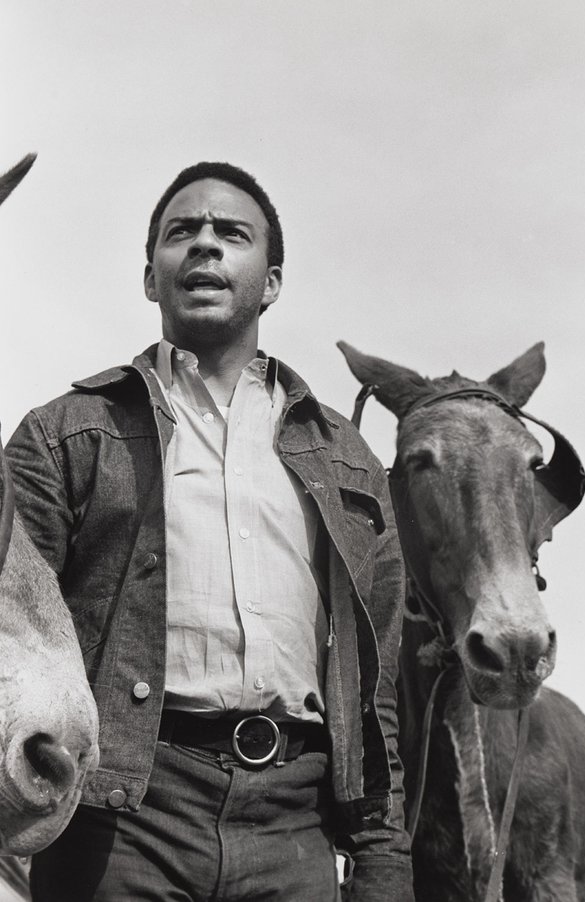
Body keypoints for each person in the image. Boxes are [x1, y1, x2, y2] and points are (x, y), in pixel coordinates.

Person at [7, 163, 414, 901]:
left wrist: (382, 856)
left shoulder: (347, 459)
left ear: (272, 281)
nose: (204, 246)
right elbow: (9, 633)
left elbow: (373, 684)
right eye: (180, 233)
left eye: (232, 233)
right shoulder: (63, 435)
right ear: (149, 276)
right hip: (119, 818)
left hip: (295, 824)